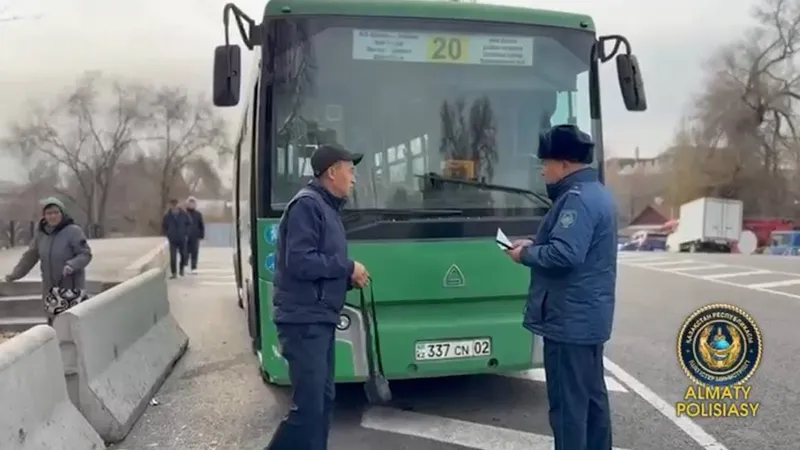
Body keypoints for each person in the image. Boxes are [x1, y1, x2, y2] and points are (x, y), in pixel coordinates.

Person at [505, 124, 617, 450]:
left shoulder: (576, 200)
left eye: (545, 163)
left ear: (564, 164)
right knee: (593, 401)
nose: (542, 170)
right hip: (588, 318)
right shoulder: (597, 194)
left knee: (568, 407)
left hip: (568, 321)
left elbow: (566, 253)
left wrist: (525, 253)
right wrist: (537, 242)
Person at [265, 144, 370, 450]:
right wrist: (348, 267)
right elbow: (300, 261)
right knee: (309, 409)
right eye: (350, 170)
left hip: (317, 318)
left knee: (322, 403)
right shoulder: (307, 206)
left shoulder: (326, 208)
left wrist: (348, 279)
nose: (354, 178)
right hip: (303, 321)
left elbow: (320, 268)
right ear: (331, 173)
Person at [4, 197, 92, 324]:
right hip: (50, 288)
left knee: (72, 324)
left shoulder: (73, 231)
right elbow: (30, 257)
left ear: (62, 213)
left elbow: (85, 254)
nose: (52, 216)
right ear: (44, 216)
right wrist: (14, 275)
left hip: (71, 287)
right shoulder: (41, 234)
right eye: (49, 213)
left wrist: (72, 265)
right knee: (54, 323)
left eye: (56, 212)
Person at [162, 198, 191, 279]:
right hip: (173, 239)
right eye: (172, 204)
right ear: (170, 205)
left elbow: (189, 224)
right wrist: (168, 234)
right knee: (173, 257)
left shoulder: (184, 214)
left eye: (175, 204)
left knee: (183, 255)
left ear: (178, 205)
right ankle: (174, 273)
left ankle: (181, 269)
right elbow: (164, 226)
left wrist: (186, 233)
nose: (174, 206)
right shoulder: (168, 216)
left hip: (182, 238)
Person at [184, 196, 205, 274]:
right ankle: (185, 265)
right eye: (190, 203)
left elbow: (201, 225)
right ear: (187, 204)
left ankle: (194, 267)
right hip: (185, 236)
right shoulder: (184, 214)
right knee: (185, 252)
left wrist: (201, 235)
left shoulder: (198, 214)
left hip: (195, 236)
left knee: (194, 252)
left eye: (193, 203)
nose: (191, 204)